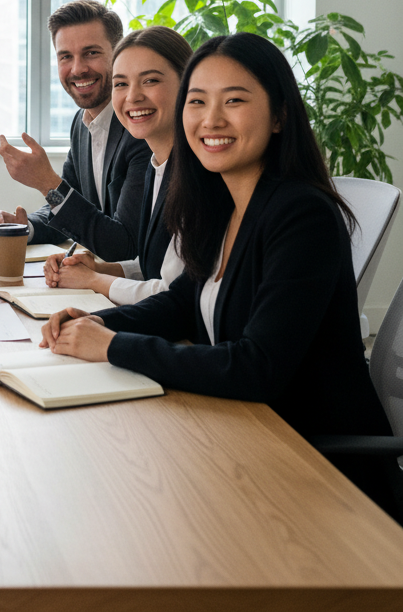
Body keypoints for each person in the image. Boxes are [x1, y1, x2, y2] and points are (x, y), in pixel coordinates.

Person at [40, 32, 394, 508]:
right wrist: (96, 322)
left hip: (316, 470)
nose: (211, 120)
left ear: (279, 115)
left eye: (234, 101)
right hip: (247, 435)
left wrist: (115, 346)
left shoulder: (301, 214)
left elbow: (257, 367)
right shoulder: (224, 204)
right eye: (197, 101)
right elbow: (182, 303)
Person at [0, 0, 150, 261]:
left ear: (118, 54)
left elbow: (123, 246)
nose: (77, 69)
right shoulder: (81, 123)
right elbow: (70, 204)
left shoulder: (140, 128)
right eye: (66, 57)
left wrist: (46, 182)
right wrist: (25, 226)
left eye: (91, 53)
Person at [42, 26, 192, 304]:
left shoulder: (196, 175)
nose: (132, 96)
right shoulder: (156, 163)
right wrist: (101, 269)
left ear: (188, 84)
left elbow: (174, 290)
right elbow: (157, 265)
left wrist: (95, 279)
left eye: (150, 81)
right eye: (121, 84)